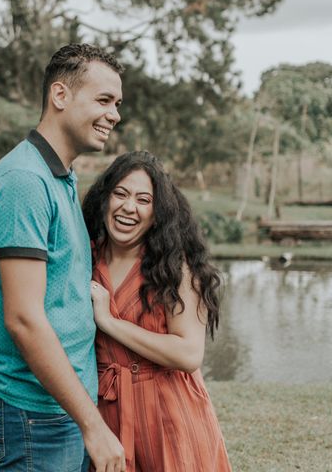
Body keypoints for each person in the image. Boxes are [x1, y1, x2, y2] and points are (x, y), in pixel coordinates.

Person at [0, 44, 126, 472]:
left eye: (116, 104)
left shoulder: (59, 174)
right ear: (60, 96)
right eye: (103, 100)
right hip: (35, 411)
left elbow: (44, 292)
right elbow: (24, 318)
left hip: (62, 401)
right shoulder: (25, 180)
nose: (114, 114)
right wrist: (93, 426)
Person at [83, 151, 232, 471]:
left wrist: (108, 321)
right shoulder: (85, 257)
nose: (128, 207)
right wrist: (5, 349)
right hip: (107, 414)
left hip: (168, 416)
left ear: (157, 212)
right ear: (104, 199)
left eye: (143, 199)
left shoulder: (174, 267)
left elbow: (189, 353)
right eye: (120, 194)